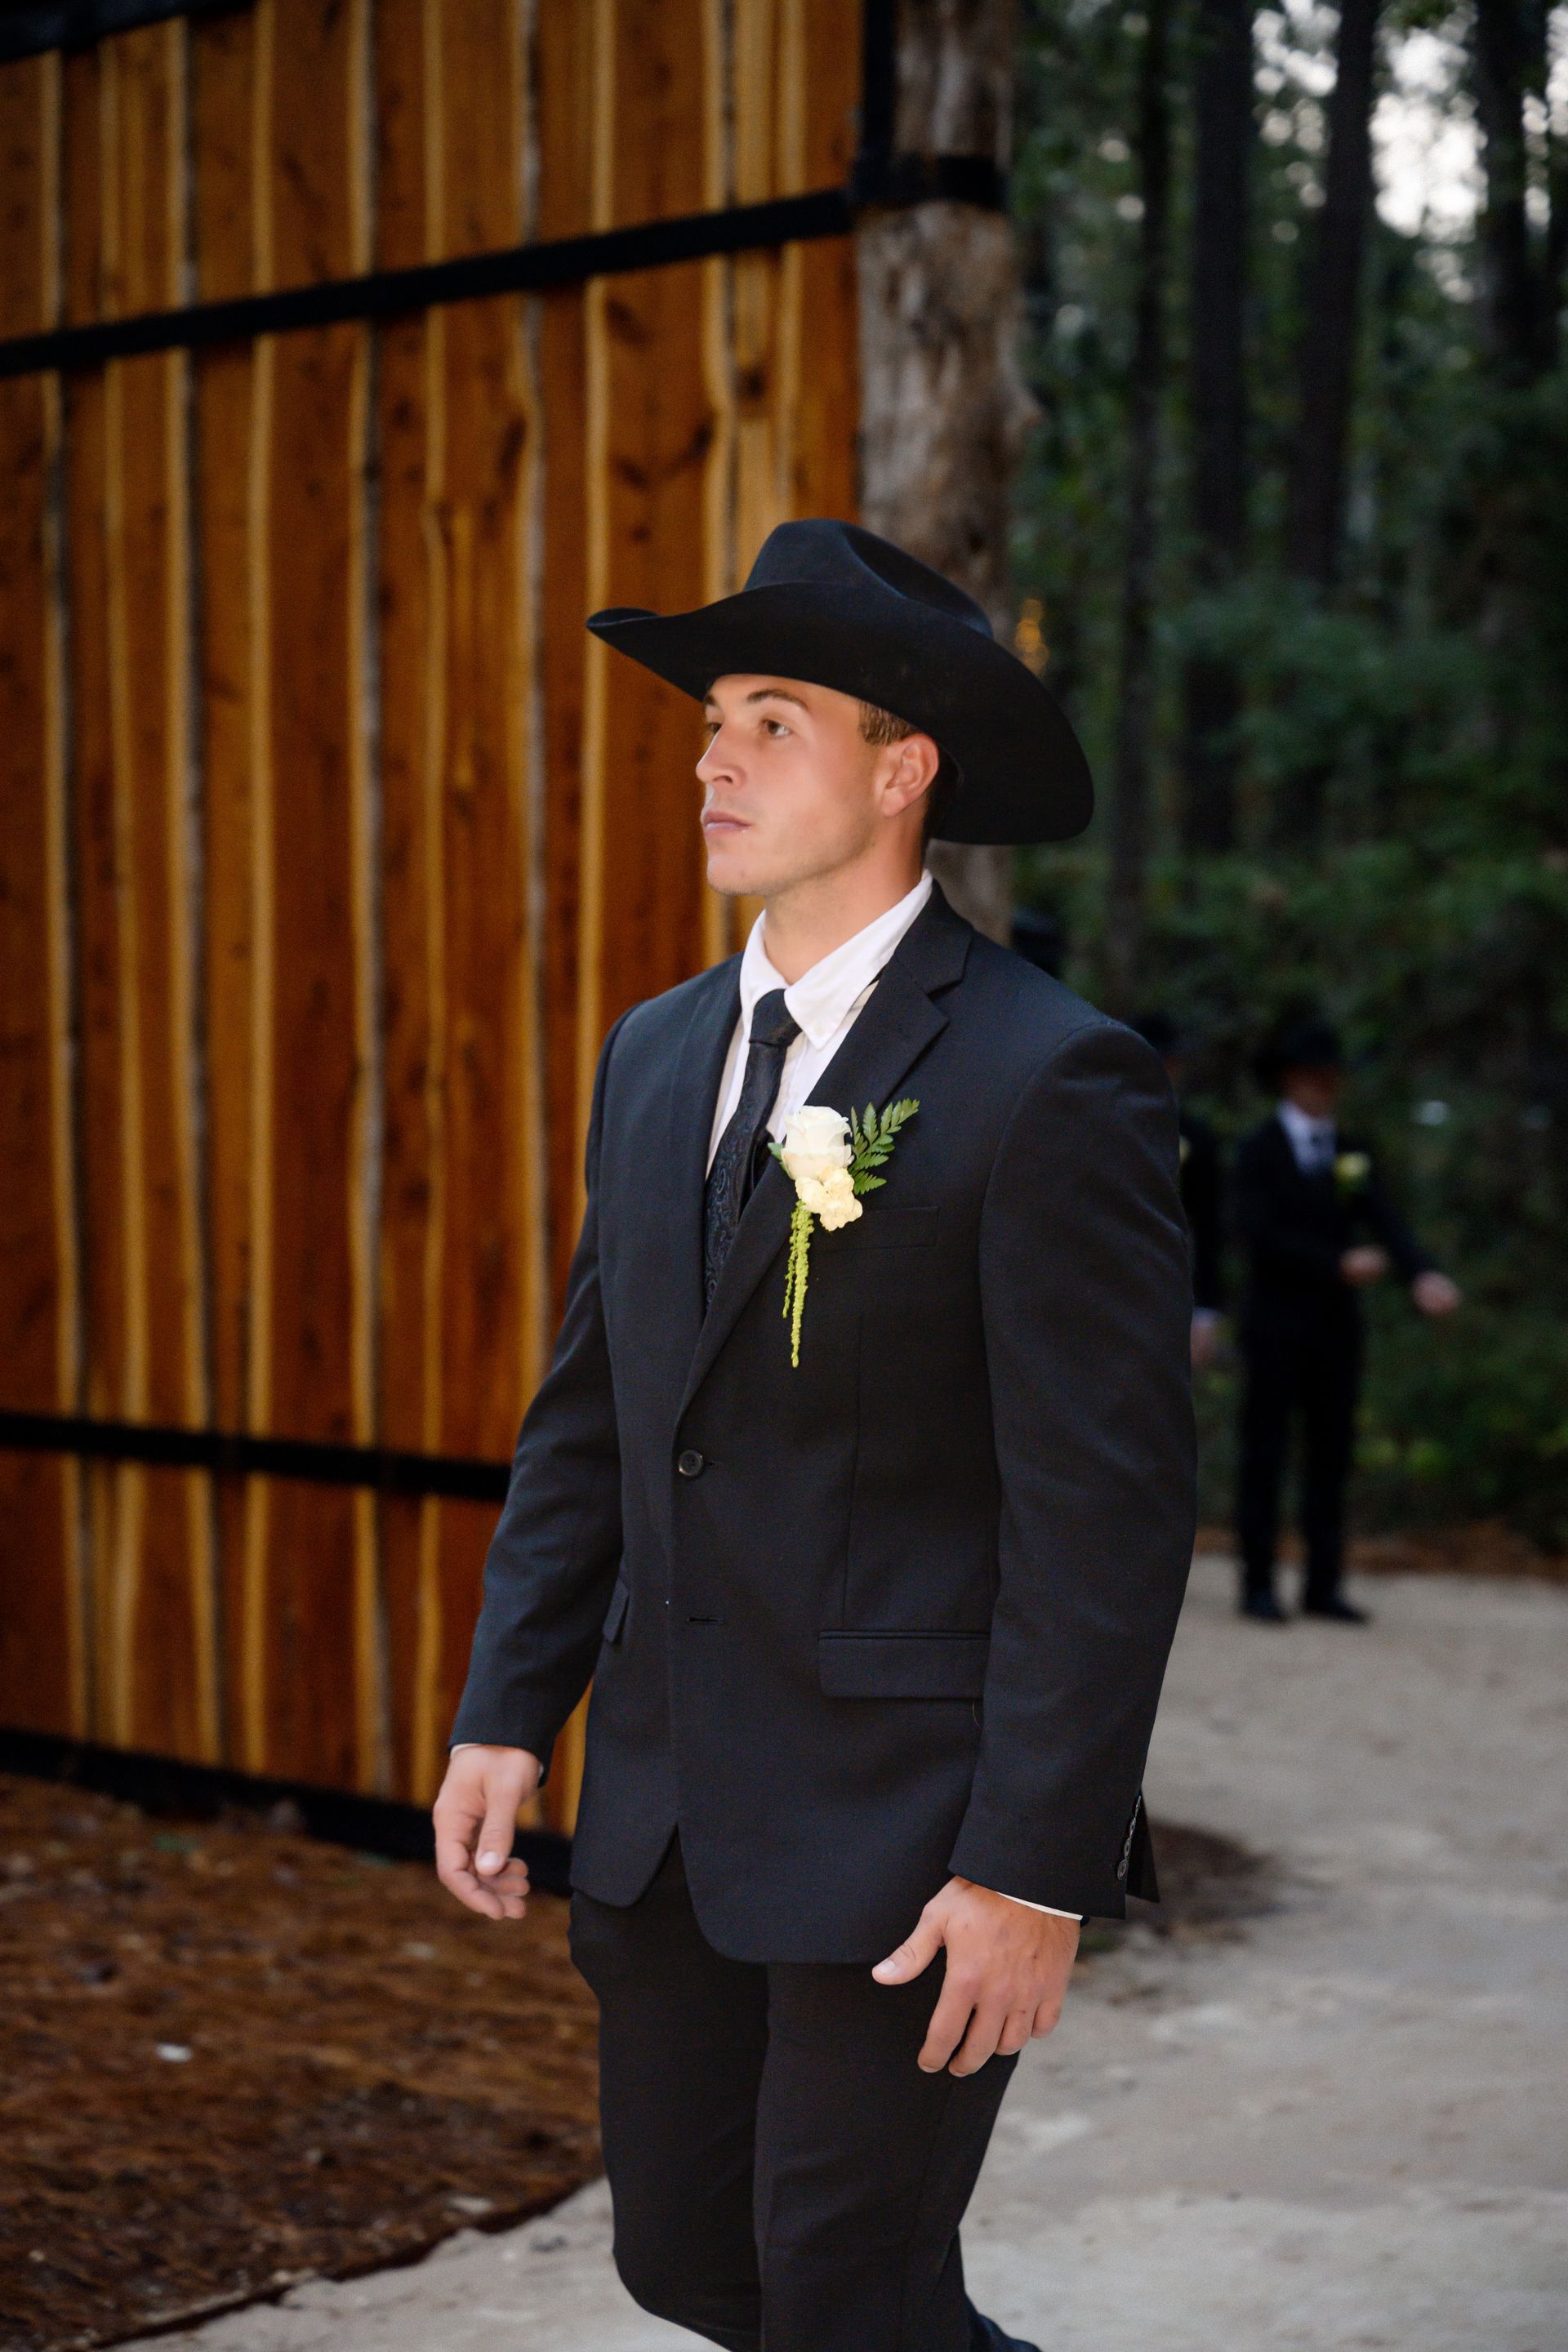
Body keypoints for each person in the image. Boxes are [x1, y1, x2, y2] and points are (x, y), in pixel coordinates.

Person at [432, 519, 1196, 2352]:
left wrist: (1034, 1868)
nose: (714, 760)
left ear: (902, 768)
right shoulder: (653, 1054)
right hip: (669, 1816)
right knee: (689, 2267)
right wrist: (507, 1711)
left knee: (847, 2294)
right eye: (712, 722)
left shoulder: (1049, 1075)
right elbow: (594, 1423)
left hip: (911, 1838)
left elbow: (1103, 1519)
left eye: (772, 721)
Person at [1234, 1017, 1460, 1624]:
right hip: (1276, 1326)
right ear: (1290, 1080)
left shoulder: (1350, 1152)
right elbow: (1256, 1233)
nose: (1326, 1088)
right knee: (1265, 1452)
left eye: (1333, 1078)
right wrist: (1334, 1263)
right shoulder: (1259, 1149)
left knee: (1330, 1455)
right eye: (1316, 1077)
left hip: (1335, 1331)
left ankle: (1323, 1584)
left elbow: (1385, 1218)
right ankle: (1257, 1583)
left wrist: (1422, 1274)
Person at [1130, 1011, 1226, 1371]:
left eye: (1169, 1064)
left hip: (1172, 1292)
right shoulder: (1100, 1130)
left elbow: (1210, 1226)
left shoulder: (1196, 1138)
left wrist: (1205, 1312)